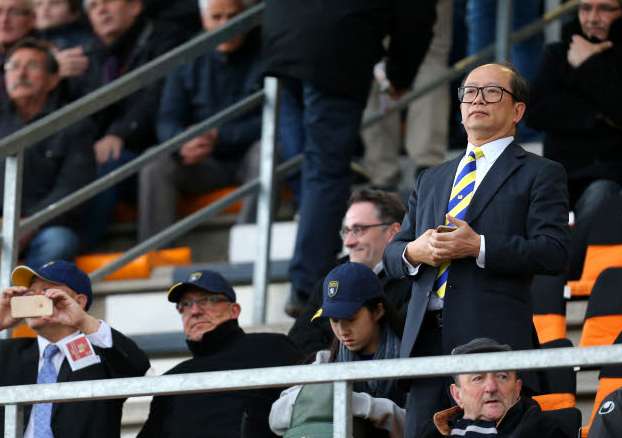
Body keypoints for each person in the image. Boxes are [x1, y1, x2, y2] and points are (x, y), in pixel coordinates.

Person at [383, 62, 570, 438]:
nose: (477, 100)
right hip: (424, 343)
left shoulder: (541, 172)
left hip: (493, 344)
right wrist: (415, 252)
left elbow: (553, 252)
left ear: (517, 110)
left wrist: (479, 246)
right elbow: (392, 255)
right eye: (469, 92)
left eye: (492, 92)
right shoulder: (431, 178)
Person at [262, 0, 438, 317]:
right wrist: (400, 75)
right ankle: (307, 285)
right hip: (335, 45)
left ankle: (308, 269)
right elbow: (416, 15)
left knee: (311, 167)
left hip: (284, 36)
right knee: (324, 171)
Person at [138, 0, 262, 241]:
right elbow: (167, 119)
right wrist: (183, 142)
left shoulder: (265, 53)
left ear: (246, 17)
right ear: (204, 20)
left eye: (232, 16)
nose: (225, 25)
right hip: (204, 161)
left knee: (267, 152)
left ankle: (248, 245)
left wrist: (219, 136)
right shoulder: (188, 56)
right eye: (217, 17)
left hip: (248, 154)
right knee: (155, 162)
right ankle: (156, 252)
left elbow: (275, 120)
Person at [138, 269, 302, 438]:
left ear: (234, 310)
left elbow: (307, 409)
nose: (194, 311)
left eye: (206, 300)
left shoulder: (271, 348)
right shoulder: (171, 380)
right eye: (185, 304)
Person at [0, 260, 151, 437]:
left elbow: (137, 365)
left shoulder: (102, 354)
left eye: (47, 292)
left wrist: (83, 321)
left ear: (79, 301)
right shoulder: (9, 352)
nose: (36, 300)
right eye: (30, 294)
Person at [526, 0, 622, 278]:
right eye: (585, 8)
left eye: (605, 9)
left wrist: (588, 63)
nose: (592, 18)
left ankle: (564, 277)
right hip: (559, 174)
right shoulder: (557, 53)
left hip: (609, 174)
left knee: (600, 196)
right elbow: (535, 113)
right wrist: (597, 118)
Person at [79, 0, 182, 247]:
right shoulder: (86, 55)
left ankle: (80, 252)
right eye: (93, 6)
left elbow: (155, 96)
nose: (101, 10)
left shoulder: (163, 40)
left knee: (106, 170)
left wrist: (119, 133)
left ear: (135, 6)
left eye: (108, 1)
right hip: (101, 152)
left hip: (147, 150)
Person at [269, 262, 406, 438]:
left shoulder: (413, 357)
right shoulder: (325, 361)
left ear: (378, 311)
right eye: (334, 320)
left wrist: (358, 404)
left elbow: (421, 425)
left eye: (350, 318)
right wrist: (320, 397)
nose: (342, 330)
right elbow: (276, 418)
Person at [0, 38, 96, 267]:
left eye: (32, 66)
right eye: (13, 66)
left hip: (47, 225)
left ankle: (24, 290)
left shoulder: (72, 124)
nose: (21, 73)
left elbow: (71, 188)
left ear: (53, 79)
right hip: (3, 224)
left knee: (58, 242)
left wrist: (29, 223)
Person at [288, 189, 411, 357]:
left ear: (393, 232)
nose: (348, 242)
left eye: (358, 230)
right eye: (346, 231)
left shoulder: (414, 278)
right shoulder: (331, 279)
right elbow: (299, 341)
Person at [421, 338, 568, 437]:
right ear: (457, 395)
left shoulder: (546, 430)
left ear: (517, 389)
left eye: (502, 376)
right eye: (478, 378)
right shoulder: (432, 433)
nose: (491, 388)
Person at [34, 0, 93, 79]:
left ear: (74, 13)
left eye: (55, 3)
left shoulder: (84, 44)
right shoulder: (31, 41)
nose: (44, 9)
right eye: (38, 4)